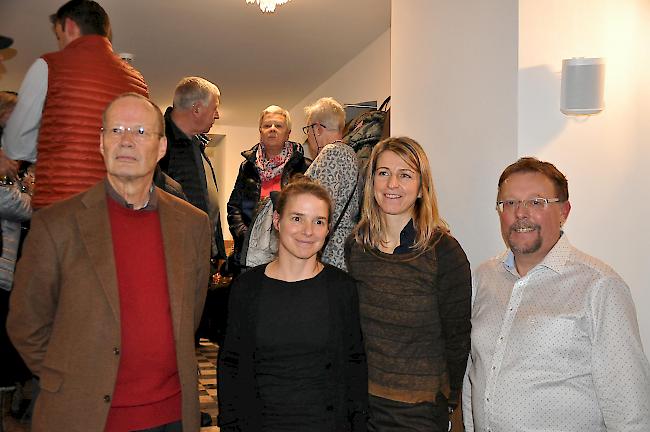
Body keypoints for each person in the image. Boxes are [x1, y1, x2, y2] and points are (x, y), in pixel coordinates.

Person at [7, 93, 211, 432]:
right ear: (101, 144)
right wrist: (70, 378)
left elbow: (191, 311)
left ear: (161, 148)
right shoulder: (55, 224)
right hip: (83, 417)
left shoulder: (193, 224)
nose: (127, 140)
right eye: (115, 130)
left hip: (171, 417)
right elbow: (26, 322)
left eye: (140, 132)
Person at [462, 157, 650, 432]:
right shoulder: (483, 278)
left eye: (536, 202)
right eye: (510, 203)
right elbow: (474, 375)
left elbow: (629, 409)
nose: (520, 213)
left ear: (564, 211)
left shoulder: (600, 286)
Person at [218, 175, 367, 431]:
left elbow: (354, 364)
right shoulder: (248, 288)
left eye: (318, 221)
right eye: (297, 218)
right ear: (277, 221)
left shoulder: (342, 288)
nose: (308, 231)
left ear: (328, 228)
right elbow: (231, 364)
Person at [345, 137, 471, 431]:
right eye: (384, 172)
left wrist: (450, 402)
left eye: (405, 175)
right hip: (364, 402)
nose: (392, 184)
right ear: (372, 180)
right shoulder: (357, 246)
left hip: (421, 409)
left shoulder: (443, 252)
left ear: (420, 187)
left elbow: (458, 337)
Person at [0, 0, 148, 209]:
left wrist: (51, 148)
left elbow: (16, 144)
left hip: (60, 204)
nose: (60, 43)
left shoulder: (50, 66)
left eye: (59, 36)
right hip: (117, 207)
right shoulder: (137, 81)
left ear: (69, 26)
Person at [245, 97, 358, 271]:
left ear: (317, 129)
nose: (308, 138)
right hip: (341, 251)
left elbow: (318, 208)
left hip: (330, 255)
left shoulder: (333, 152)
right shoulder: (350, 153)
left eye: (308, 130)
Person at [227, 105, 310, 274]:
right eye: (267, 125)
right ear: (260, 131)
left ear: (288, 133)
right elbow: (233, 207)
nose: (272, 129)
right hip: (249, 256)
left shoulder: (304, 166)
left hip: (290, 253)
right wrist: (247, 235)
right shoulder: (247, 167)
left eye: (278, 126)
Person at [159, 76, 226, 261]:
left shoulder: (196, 145)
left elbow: (207, 204)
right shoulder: (158, 142)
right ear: (196, 109)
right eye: (215, 108)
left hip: (200, 255)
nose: (217, 115)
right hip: (176, 256)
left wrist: (218, 252)